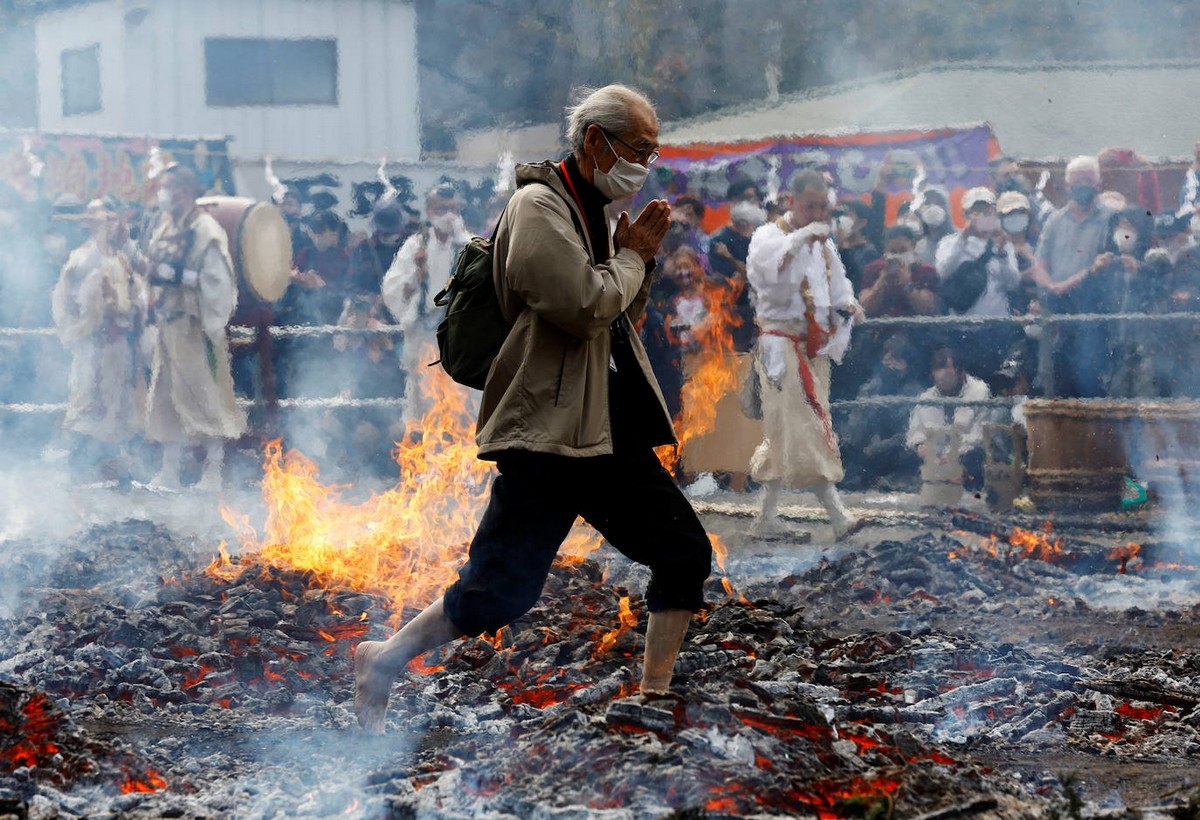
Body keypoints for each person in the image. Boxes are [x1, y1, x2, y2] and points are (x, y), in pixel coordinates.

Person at [354, 84, 713, 733]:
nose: (644, 165)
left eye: (653, 154)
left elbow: (614, 322)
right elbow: (583, 306)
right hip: (546, 435)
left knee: (683, 551)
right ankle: (382, 659)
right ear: (594, 141)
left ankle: (654, 699)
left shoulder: (593, 213)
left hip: (602, 428)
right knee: (497, 594)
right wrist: (634, 258)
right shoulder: (540, 208)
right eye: (638, 149)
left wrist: (639, 265)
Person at [745, 169, 864, 541]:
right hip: (780, 345)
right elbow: (768, 279)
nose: (816, 212)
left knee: (784, 430)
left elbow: (838, 286)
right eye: (809, 205)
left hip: (814, 345)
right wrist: (799, 239)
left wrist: (849, 304)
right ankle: (838, 515)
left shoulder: (825, 244)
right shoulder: (767, 236)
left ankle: (766, 519)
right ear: (790, 201)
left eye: (821, 206)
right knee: (804, 425)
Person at [140, 164, 248, 491]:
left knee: (204, 395)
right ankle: (169, 470)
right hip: (168, 325)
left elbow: (216, 281)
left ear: (183, 192)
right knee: (165, 396)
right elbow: (151, 271)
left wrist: (172, 277)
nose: (162, 194)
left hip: (195, 325)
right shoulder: (164, 226)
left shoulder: (205, 229)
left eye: (167, 187)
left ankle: (212, 472)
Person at [50, 198, 147, 480]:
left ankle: (122, 470)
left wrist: (134, 315)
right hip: (94, 345)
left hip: (122, 346)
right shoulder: (81, 257)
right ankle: (80, 468)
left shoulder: (122, 258)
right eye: (102, 218)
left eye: (112, 218)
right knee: (88, 403)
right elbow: (69, 297)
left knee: (123, 406)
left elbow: (138, 288)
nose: (109, 224)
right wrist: (90, 326)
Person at [381, 184, 474, 420]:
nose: (449, 215)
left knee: (462, 405)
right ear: (430, 211)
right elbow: (393, 293)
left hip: (460, 341)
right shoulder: (415, 245)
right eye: (442, 209)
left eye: (453, 209)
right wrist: (416, 272)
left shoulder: (471, 246)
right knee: (424, 405)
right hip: (424, 339)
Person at [1034, 155, 1115, 397]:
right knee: (1053, 375)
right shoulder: (1055, 220)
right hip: (1056, 308)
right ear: (1068, 186)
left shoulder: (1111, 218)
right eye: (1077, 182)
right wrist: (1051, 285)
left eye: (1088, 180)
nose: (1083, 186)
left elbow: (1102, 264)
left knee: (1089, 376)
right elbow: (1039, 262)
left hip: (1092, 309)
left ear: (1099, 183)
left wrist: (1066, 285)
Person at [935, 186, 1022, 376]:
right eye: (977, 211)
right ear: (966, 214)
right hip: (961, 329)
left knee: (996, 380)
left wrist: (1003, 254)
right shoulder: (949, 242)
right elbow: (943, 271)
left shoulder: (1004, 243)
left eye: (988, 211)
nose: (983, 215)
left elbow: (1013, 283)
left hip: (997, 328)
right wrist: (964, 238)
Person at [905, 347, 991, 494]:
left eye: (948, 373)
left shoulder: (979, 391)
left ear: (959, 371)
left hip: (965, 453)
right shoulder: (926, 398)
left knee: (975, 456)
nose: (943, 379)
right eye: (938, 373)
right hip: (934, 457)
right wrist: (920, 444)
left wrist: (952, 454)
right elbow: (915, 430)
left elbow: (979, 434)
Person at [833, 199, 881, 292]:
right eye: (840, 215)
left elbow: (855, 282)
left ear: (861, 223)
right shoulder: (833, 248)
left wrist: (844, 248)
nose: (840, 219)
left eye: (847, 214)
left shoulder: (870, 254)